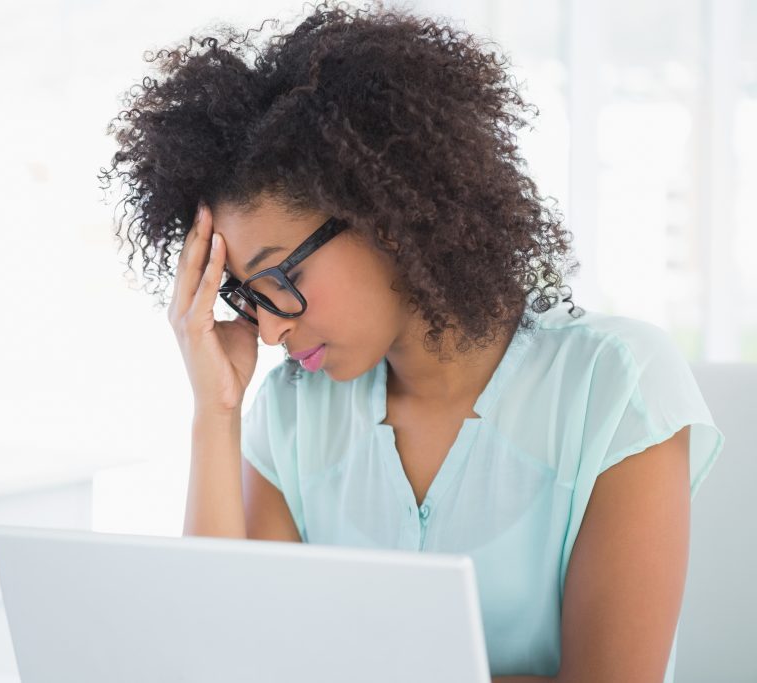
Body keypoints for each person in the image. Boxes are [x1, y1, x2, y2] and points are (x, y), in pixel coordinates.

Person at [99, 4, 723, 681]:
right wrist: (214, 412)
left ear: (384, 216)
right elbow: (223, 661)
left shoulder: (616, 388)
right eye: (246, 296)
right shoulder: (293, 412)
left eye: (281, 277)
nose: (272, 329)